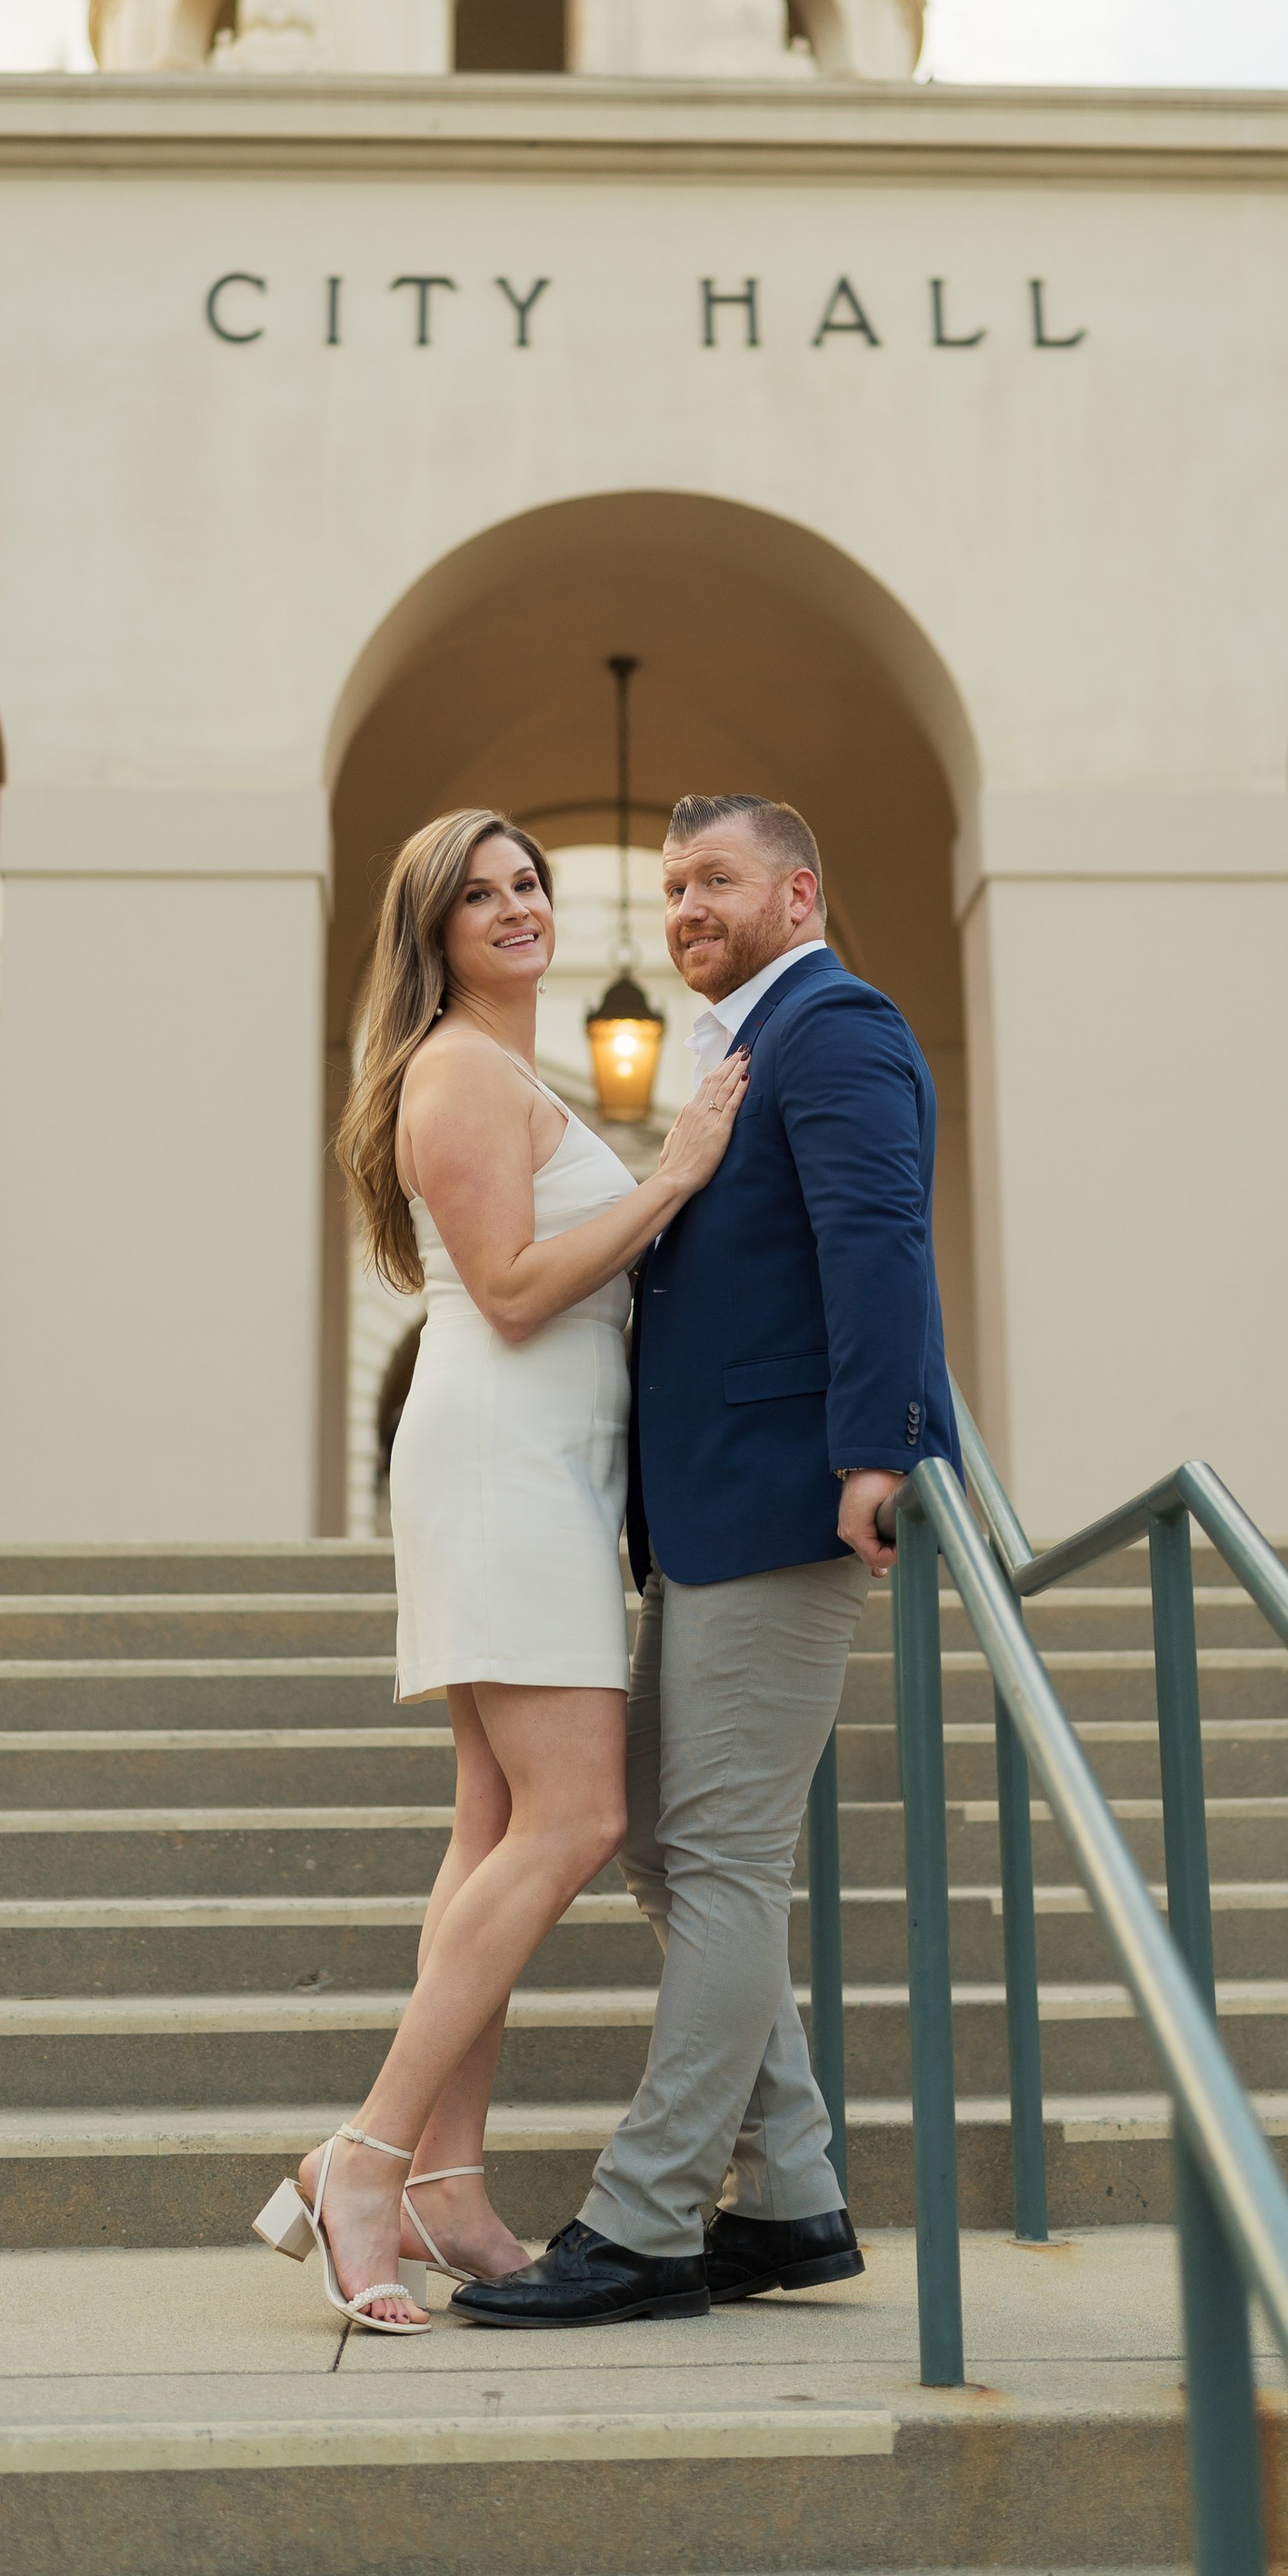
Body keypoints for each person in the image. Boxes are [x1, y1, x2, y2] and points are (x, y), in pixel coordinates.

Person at [452, 792, 960, 2330]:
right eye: (672, 885)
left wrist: (883, 1450)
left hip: (793, 1503)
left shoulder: (839, 1026)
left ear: (800, 894)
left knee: (725, 1859)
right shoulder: (745, 1043)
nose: (686, 905)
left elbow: (880, 1233)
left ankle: (650, 2217)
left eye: (718, 879)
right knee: (668, 1850)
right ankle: (790, 2190)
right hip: (706, 1516)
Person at [252, 807, 747, 2335]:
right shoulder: (458, 1070)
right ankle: (367, 2158)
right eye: (482, 895)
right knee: (582, 1812)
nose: (518, 906)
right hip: (502, 1466)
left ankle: (444, 2185)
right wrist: (672, 1179)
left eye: (528, 881)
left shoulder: (499, 1070)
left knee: (494, 1827)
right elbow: (522, 1293)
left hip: (541, 1473)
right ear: (436, 933)